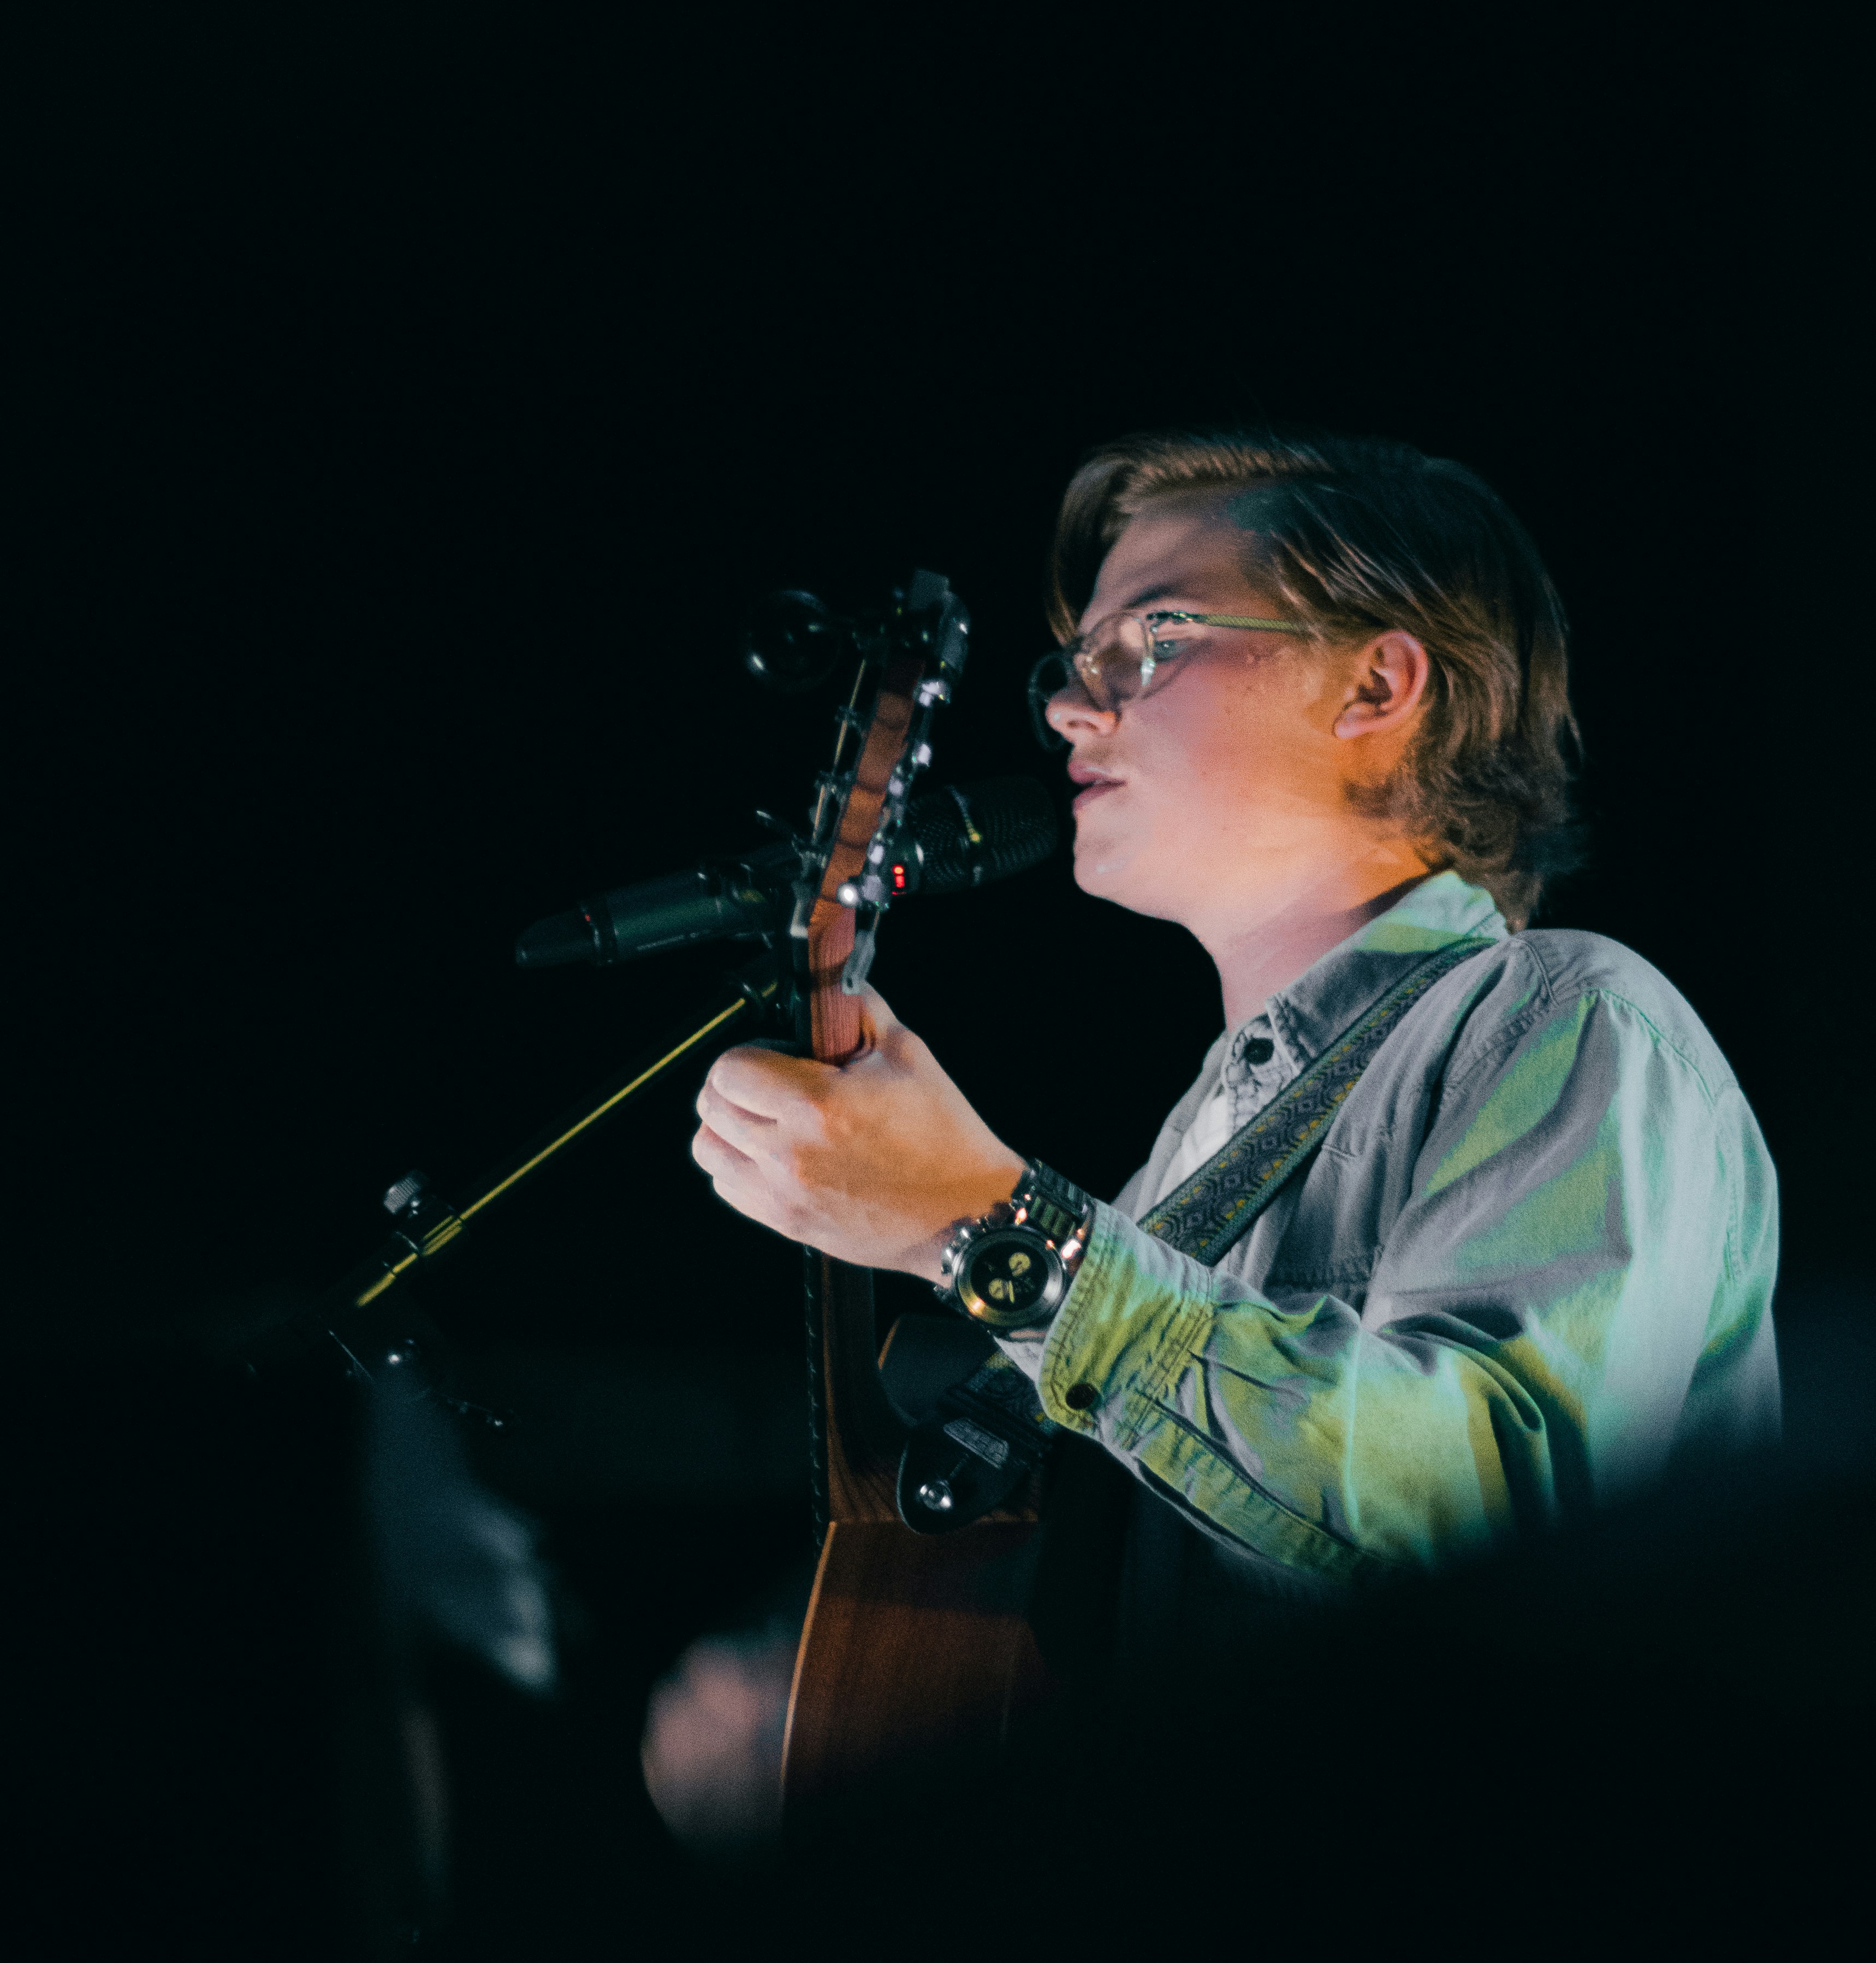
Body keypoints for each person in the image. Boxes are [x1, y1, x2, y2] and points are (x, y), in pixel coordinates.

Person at [688, 431, 1779, 1663]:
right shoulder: (1185, 1171)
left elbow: (1505, 1529)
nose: (1063, 704)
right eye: (1071, 660)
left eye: (1152, 641)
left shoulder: (1571, 1014)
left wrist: (987, 1228)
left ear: (1374, 688)